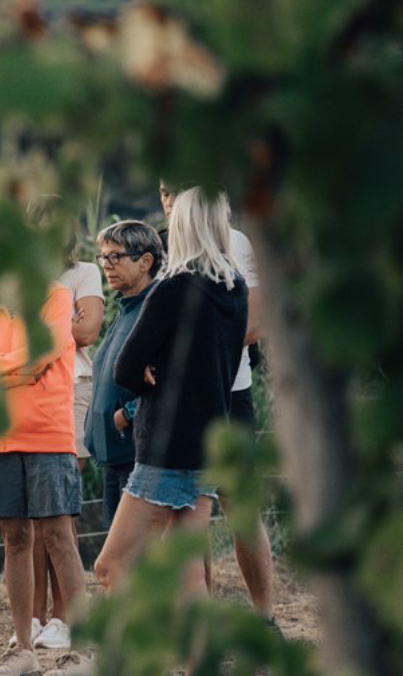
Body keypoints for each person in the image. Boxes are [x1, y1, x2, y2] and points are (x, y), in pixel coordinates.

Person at [92, 187, 247, 609]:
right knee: (188, 573)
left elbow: (125, 370)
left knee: (112, 567)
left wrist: (146, 375)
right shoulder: (236, 289)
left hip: (166, 446)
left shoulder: (173, 289)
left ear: (182, 226)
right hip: (209, 441)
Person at [0, 281, 95, 676]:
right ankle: (24, 649)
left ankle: (84, 652)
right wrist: (12, 369)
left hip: (48, 435)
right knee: (14, 538)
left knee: (59, 538)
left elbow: (41, 356)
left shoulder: (54, 295)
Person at [159, 181, 273, 617]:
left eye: (176, 192)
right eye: (163, 192)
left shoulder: (237, 242)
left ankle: (264, 616)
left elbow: (256, 320)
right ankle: (198, 620)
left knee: (240, 509)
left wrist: (202, 362)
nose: (168, 200)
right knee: (186, 511)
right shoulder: (164, 246)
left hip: (230, 394)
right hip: (179, 402)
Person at [20, 249, 105, 652]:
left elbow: (87, 332)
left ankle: (65, 616)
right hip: (26, 393)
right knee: (31, 514)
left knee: (61, 509)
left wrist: (43, 329)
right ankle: (34, 617)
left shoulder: (84, 273)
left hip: (72, 390)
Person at [84, 221, 164, 530]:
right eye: (103, 257)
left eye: (116, 256)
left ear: (145, 261)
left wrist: (128, 414)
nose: (107, 265)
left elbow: (172, 376)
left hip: (138, 456)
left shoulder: (155, 307)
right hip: (114, 459)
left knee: (134, 562)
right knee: (119, 568)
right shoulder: (128, 307)